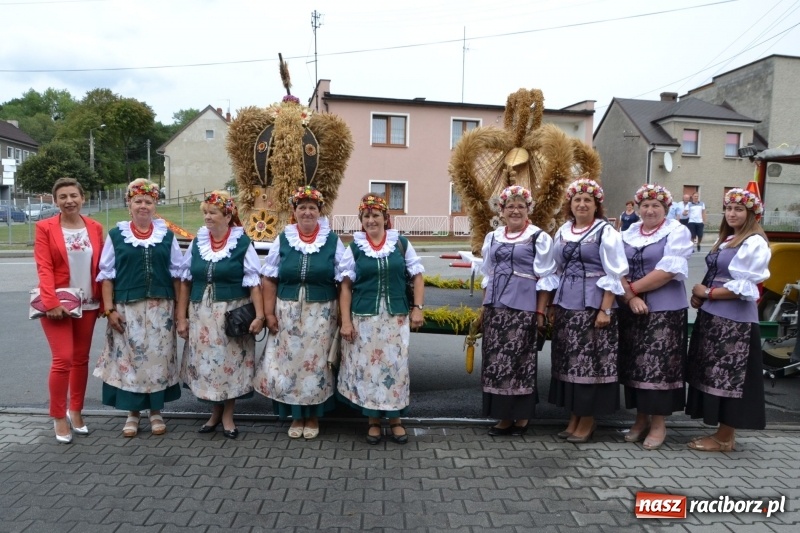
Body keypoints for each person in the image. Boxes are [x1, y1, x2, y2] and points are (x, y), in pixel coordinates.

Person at [93, 179, 184, 438]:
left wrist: (179, 314)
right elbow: (106, 276)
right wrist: (109, 310)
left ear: (155, 206)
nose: (143, 206)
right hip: (126, 309)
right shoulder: (116, 235)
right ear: (129, 204)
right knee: (128, 362)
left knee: (157, 361)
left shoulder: (166, 236)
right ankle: (132, 413)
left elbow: (177, 275)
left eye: (148, 201)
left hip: (160, 309)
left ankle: (155, 411)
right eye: (138, 201)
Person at [257, 186, 345, 440]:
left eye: (312, 208)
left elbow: (344, 281)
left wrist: (341, 314)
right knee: (291, 364)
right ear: (294, 212)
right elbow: (270, 278)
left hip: (321, 314)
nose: (307, 212)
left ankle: (314, 415)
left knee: (317, 365)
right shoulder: (284, 238)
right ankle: (296, 415)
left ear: (319, 212)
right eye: (302, 207)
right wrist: (269, 314)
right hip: (288, 312)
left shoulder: (332, 241)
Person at [686, 187, 770, 452]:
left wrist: (708, 292)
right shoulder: (727, 239)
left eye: (739, 209)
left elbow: (744, 288)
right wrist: (701, 295)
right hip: (714, 317)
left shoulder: (753, 242)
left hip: (735, 323)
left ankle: (724, 438)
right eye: (729, 208)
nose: (732, 213)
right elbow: (716, 274)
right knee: (714, 375)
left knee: (730, 378)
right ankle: (721, 433)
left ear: (752, 214)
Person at [337, 193, 425, 445]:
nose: (371, 220)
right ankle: (373, 420)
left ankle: (396, 419)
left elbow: (417, 276)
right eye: (366, 216)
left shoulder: (400, 244)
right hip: (364, 318)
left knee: (395, 368)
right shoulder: (355, 247)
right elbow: (345, 286)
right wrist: (345, 321)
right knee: (368, 370)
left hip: (395, 318)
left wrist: (417, 307)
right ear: (361, 219)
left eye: (376, 215)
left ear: (386, 218)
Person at [177, 191, 264, 439]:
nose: (207, 217)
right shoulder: (198, 242)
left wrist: (259, 316)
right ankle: (215, 413)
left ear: (228, 216)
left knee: (229, 365)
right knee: (209, 365)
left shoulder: (242, 243)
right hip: (201, 315)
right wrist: (181, 318)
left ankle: (227, 416)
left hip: (231, 315)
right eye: (205, 212)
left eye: (212, 212)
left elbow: (254, 283)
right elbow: (185, 281)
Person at [547, 177, 628, 443]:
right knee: (569, 360)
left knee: (590, 362)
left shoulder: (605, 232)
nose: (582, 204)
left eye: (587, 200)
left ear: (597, 205)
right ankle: (575, 416)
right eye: (577, 200)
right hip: (566, 303)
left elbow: (614, 272)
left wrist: (605, 309)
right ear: (570, 204)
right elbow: (556, 268)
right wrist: (553, 304)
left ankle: (588, 420)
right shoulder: (563, 230)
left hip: (593, 304)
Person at [617, 184, 693, 450]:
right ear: (637, 209)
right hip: (631, 308)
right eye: (645, 205)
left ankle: (658, 422)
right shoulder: (628, 233)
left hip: (664, 309)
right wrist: (630, 298)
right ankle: (640, 419)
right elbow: (617, 269)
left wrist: (635, 289)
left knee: (659, 367)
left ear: (666, 209)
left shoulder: (677, 231)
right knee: (634, 363)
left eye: (655, 206)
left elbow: (668, 270)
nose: (649, 210)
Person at [479, 185, 558, 436]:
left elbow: (546, 277)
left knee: (519, 361)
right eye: (510, 206)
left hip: (523, 307)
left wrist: (540, 312)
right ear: (501, 211)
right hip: (495, 307)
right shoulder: (492, 237)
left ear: (528, 210)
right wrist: (484, 308)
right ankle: (503, 415)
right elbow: (487, 274)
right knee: (496, 361)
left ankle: (521, 416)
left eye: (520, 206)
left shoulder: (538, 237)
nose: (515, 210)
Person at [34, 177, 105, 443]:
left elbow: (102, 265)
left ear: (82, 198)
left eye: (73, 195)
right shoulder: (45, 228)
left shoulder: (95, 227)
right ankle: (58, 416)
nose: (69, 201)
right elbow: (44, 267)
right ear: (55, 201)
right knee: (62, 359)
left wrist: (103, 301)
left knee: (80, 359)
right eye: (62, 197)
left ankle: (75, 411)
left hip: (88, 303)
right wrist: (51, 303)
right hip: (58, 305)